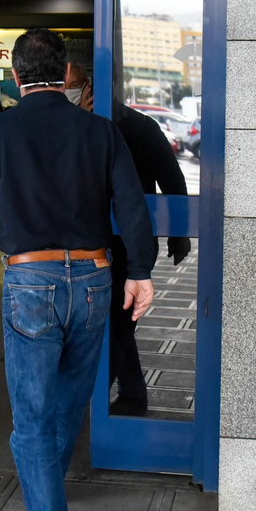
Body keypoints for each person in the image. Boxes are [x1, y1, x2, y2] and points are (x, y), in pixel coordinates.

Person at [0, 28, 156, 511]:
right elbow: (133, 208)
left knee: (32, 416)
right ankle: (50, 501)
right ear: (66, 74)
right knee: (67, 403)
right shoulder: (100, 132)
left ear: (16, 77)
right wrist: (140, 272)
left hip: (29, 283)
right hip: (93, 279)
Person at [63, 62, 190, 416]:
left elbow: (172, 181)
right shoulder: (77, 125)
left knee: (118, 325)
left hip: (130, 244)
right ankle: (133, 395)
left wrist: (179, 235)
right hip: (94, 243)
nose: (71, 91)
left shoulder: (139, 127)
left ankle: (96, 400)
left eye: (75, 84)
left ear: (93, 87)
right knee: (118, 324)